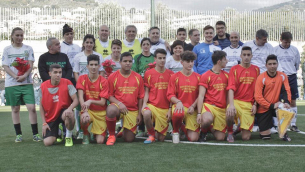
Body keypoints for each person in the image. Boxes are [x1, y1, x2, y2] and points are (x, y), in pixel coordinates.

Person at [2, 27, 42, 142]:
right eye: (17, 35)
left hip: (26, 82)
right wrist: (14, 76)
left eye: (21, 35)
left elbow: (30, 64)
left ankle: (35, 134)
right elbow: (5, 66)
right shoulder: (7, 49)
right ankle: (18, 135)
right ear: (12, 36)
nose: (19, 38)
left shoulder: (28, 49)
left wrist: (24, 76)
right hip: (12, 84)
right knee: (15, 109)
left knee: (32, 108)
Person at [105, 52, 144, 145]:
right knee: (110, 110)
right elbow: (109, 95)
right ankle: (111, 135)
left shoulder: (138, 77)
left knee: (129, 139)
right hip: (118, 107)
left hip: (132, 110)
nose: (127, 63)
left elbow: (140, 97)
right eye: (125, 61)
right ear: (120, 62)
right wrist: (119, 103)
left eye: (130, 61)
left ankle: (123, 129)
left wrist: (139, 114)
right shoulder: (113, 76)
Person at [73, 34, 105, 139]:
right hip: (83, 86)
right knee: (80, 108)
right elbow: (76, 72)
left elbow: (101, 72)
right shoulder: (78, 56)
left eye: (91, 42)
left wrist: (96, 84)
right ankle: (81, 131)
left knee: (100, 141)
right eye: (87, 42)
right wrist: (81, 85)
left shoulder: (99, 56)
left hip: (95, 86)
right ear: (83, 44)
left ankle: (99, 131)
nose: (89, 44)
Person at [226, 46, 260, 142]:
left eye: (248, 55)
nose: (246, 57)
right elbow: (231, 89)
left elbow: (257, 90)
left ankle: (239, 128)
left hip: (249, 104)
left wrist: (255, 104)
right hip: (236, 101)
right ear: (240, 56)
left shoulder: (256, 69)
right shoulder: (234, 69)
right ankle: (230, 133)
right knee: (229, 112)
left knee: (246, 138)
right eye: (244, 55)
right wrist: (231, 105)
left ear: (251, 56)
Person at [254, 55, 292, 141]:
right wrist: (271, 105)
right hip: (264, 108)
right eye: (270, 64)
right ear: (266, 65)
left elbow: (287, 90)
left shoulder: (283, 76)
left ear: (277, 64)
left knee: (286, 108)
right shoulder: (261, 78)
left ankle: (283, 132)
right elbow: (258, 97)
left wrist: (287, 102)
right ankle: (271, 126)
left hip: (277, 106)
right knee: (266, 137)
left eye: (274, 64)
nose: (272, 66)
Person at [40, 64, 78, 146]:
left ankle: (68, 137)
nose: (58, 74)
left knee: (70, 114)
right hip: (51, 116)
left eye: (60, 72)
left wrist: (70, 108)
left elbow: (76, 100)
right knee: (47, 143)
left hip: (63, 112)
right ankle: (59, 131)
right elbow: (41, 106)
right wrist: (44, 123)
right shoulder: (43, 86)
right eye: (55, 72)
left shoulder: (67, 82)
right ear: (50, 73)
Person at [167, 51, 201, 143]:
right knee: (178, 113)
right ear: (182, 62)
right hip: (180, 106)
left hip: (192, 109)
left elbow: (201, 95)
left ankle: (182, 127)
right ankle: (175, 131)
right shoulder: (175, 77)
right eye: (188, 61)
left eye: (192, 61)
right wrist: (178, 102)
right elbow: (170, 95)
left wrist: (193, 106)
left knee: (193, 139)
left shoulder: (198, 77)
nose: (190, 64)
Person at [142, 49, 174, 144]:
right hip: (152, 105)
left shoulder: (171, 74)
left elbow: (172, 94)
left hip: (165, 108)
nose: (162, 60)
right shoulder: (148, 73)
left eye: (164, 58)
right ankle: (151, 134)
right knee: (146, 113)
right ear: (155, 59)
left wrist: (170, 109)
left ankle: (157, 132)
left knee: (160, 139)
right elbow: (146, 91)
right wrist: (144, 104)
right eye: (160, 58)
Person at [76, 54, 109, 144]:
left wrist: (90, 101)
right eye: (91, 65)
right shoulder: (82, 78)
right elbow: (80, 97)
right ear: (87, 66)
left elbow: (102, 102)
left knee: (100, 141)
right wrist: (85, 111)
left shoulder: (103, 81)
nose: (93, 67)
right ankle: (86, 134)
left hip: (100, 112)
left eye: (95, 65)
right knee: (84, 118)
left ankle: (96, 134)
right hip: (88, 111)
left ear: (99, 66)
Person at [197, 51, 228, 142]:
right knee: (207, 120)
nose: (227, 61)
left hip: (221, 109)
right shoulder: (206, 75)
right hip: (210, 106)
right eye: (225, 59)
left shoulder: (227, 75)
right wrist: (199, 113)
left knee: (220, 138)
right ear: (219, 61)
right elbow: (201, 95)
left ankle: (210, 127)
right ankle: (203, 132)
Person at [275, 31, 300, 132]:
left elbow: (296, 64)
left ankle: (293, 124)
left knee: (292, 100)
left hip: (292, 77)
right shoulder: (275, 50)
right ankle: (277, 124)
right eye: (285, 42)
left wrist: (291, 72)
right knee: (277, 100)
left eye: (289, 42)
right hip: (279, 77)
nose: (287, 44)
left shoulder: (294, 50)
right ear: (281, 40)